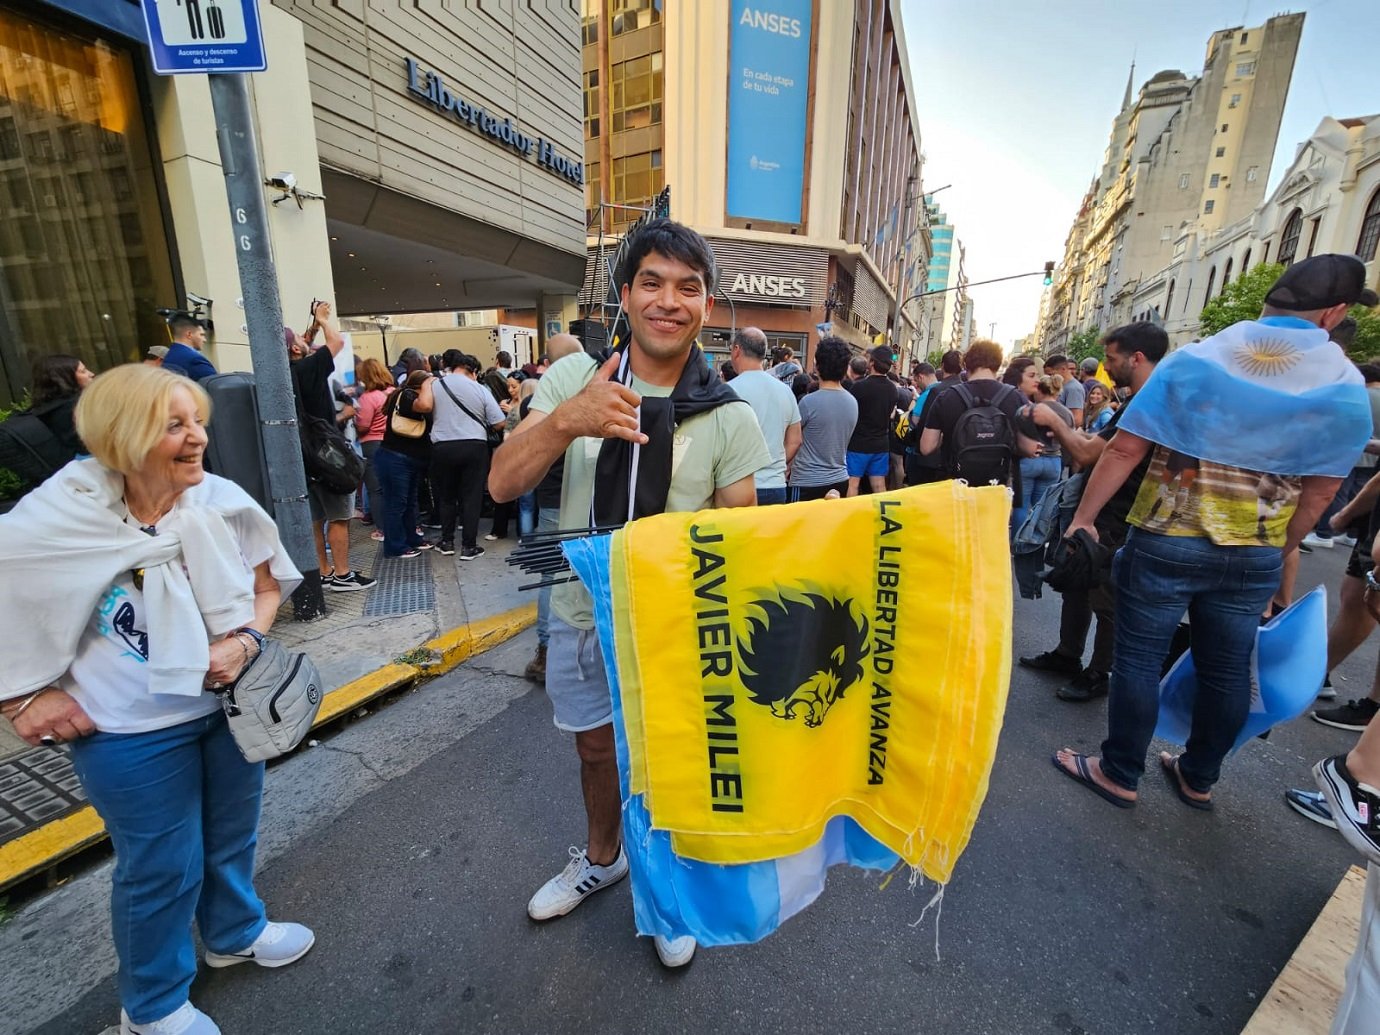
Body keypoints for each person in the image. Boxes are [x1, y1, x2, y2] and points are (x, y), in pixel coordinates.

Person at [488, 218, 767, 969]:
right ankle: (603, 856)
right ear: (625, 295)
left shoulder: (731, 415)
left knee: (670, 756)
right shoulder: (572, 381)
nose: (669, 301)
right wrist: (569, 420)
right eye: (652, 282)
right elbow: (502, 481)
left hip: (675, 624)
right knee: (594, 751)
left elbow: (741, 536)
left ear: (707, 306)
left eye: (688, 287)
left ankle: (666, 889)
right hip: (582, 613)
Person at [0, 364, 311, 1035]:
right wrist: (21, 701)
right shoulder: (58, 514)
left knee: (230, 838)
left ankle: (234, 932)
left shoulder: (219, 499)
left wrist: (246, 644)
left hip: (229, 711)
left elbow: (266, 588)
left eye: (196, 419)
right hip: (125, 731)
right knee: (160, 867)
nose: (198, 435)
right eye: (175, 424)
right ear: (123, 434)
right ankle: (153, 1005)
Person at [1052, 255, 1375, 809]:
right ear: (1335, 314)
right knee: (1227, 668)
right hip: (1254, 551)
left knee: (1136, 656)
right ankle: (1198, 776)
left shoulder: (1197, 360)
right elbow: (1321, 493)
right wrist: (1281, 544)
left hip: (1166, 537)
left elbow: (1126, 449)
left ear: (1269, 304)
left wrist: (1083, 520)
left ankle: (1119, 771)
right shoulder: (1343, 384)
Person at [1019, 322, 1169, 702]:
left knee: (1106, 597)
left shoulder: (1149, 401)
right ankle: (1068, 654)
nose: (1106, 365)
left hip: (1118, 517)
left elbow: (1089, 455)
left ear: (1136, 358)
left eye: (1112, 358)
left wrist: (1054, 420)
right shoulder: (1136, 401)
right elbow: (1099, 444)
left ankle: (1100, 672)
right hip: (1103, 514)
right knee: (1077, 584)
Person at [288, 302, 376, 592]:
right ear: (297, 350)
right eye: (301, 340)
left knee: (315, 518)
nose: (306, 340)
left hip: (305, 453)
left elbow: (305, 342)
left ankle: (323, 572)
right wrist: (325, 320)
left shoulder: (287, 373)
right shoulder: (309, 367)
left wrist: (313, 325)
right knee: (339, 516)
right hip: (327, 452)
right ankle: (342, 574)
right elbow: (335, 342)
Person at [524, 333, 584, 686]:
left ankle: (547, 653)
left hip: (551, 497)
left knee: (552, 575)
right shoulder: (597, 387)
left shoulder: (540, 399)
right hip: (586, 496)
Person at [919, 339, 1040, 484]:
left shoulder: (946, 397)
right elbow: (1031, 448)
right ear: (998, 364)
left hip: (956, 487)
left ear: (966, 364)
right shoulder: (1016, 398)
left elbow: (926, 448)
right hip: (997, 490)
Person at [422, 350, 504, 559]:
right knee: (471, 496)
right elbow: (498, 422)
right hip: (474, 446)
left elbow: (424, 407)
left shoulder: (435, 384)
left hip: (443, 447)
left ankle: (447, 541)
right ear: (473, 371)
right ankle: (469, 546)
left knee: (447, 496)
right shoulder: (480, 389)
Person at [1307, 348, 1380, 550]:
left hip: (1353, 451)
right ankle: (1351, 533)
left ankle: (1324, 534)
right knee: (1360, 492)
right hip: (1374, 459)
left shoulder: (1361, 395)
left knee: (1338, 493)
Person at [728, 327, 802, 505]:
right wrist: (775, 463)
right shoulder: (785, 391)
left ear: (737, 350)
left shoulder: (728, 390)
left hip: (735, 485)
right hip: (775, 485)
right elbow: (795, 440)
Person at [371, 370, 435, 559]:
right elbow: (424, 405)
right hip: (396, 459)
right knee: (396, 503)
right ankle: (395, 546)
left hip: (406, 459)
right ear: (420, 386)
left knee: (407, 502)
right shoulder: (407, 395)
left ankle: (411, 539)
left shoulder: (408, 395)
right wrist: (428, 384)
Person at [788, 336, 857, 502]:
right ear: (846, 368)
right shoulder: (852, 402)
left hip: (806, 481)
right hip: (839, 479)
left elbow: (793, 439)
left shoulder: (808, 402)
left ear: (817, 367)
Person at [1013, 372, 1072, 532]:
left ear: (1039, 390)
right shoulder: (1066, 413)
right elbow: (1069, 439)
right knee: (1043, 507)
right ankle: (1035, 543)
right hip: (1053, 461)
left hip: (1029, 460)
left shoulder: (1027, 410)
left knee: (1021, 505)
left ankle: (1018, 542)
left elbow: (1016, 434)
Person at [843, 345, 903, 497]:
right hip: (881, 443)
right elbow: (891, 414)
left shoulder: (859, 387)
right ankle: (882, 518)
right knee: (879, 485)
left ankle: (852, 518)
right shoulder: (892, 389)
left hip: (858, 443)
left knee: (853, 484)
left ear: (871, 363)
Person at [908, 351, 962, 485]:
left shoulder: (937, 391)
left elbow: (923, 423)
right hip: (956, 458)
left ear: (943, 366)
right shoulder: (964, 390)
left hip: (930, 458)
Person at [353, 358, 395, 529]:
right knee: (394, 487)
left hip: (372, 444)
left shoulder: (367, 398)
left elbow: (363, 426)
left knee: (375, 489)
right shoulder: (394, 392)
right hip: (394, 442)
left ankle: (383, 528)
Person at [28, 353, 94, 458]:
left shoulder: (44, 408)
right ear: (66, 377)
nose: (91, 374)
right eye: (83, 371)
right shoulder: (71, 407)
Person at [160, 313, 217, 382]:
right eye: (201, 335)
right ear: (189, 334)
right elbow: (214, 385)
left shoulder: (169, 355)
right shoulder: (194, 360)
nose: (204, 340)